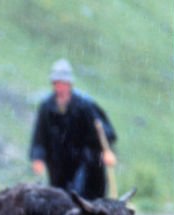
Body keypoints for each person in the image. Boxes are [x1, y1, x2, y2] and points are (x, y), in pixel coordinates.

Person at [30, 58, 117, 199]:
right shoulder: (47, 107)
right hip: (58, 164)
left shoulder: (85, 105)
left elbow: (104, 133)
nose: (60, 88)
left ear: (69, 84)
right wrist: (38, 157)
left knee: (84, 198)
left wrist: (107, 151)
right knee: (61, 200)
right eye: (56, 83)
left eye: (63, 83)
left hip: (85, 163)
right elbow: (40, 135)